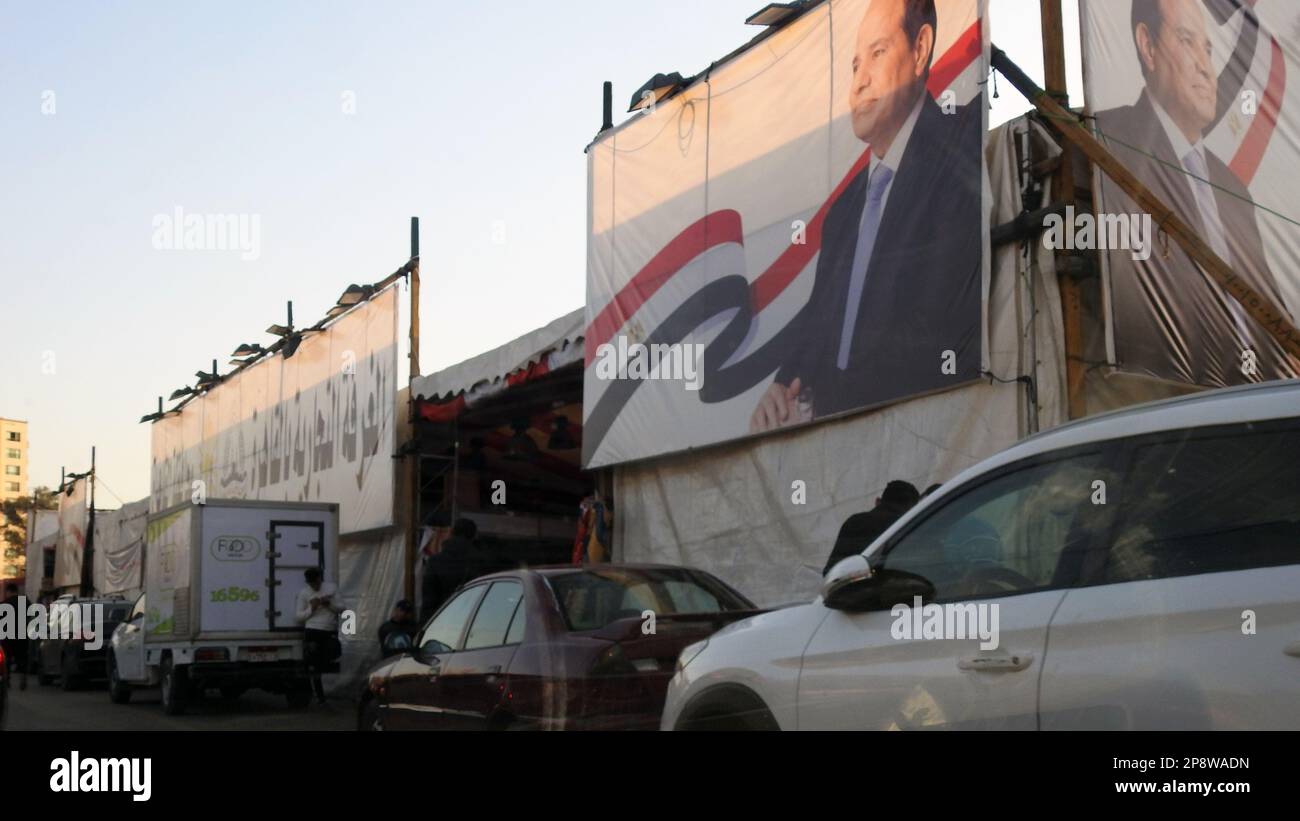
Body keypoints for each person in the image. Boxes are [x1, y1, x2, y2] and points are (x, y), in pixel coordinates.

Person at [751, 0, 982, 432]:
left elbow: (935, 326)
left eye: (877, 54)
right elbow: (821, 319)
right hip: (840, 443)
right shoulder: (843, 212)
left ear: (920, 50)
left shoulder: (962, 145)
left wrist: (830, 401)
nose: (859, 83)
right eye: (855, 65)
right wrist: (781, 388)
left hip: (934, 432)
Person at [1095, 0, 1295, 387]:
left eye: (1208, 48)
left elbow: (1270, 308)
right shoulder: (1109, 142)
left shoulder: (1231, 186)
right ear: (1148, 46)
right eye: (1187, 41)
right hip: (1169, 393)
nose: (1207, 67)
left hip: (1258, 390)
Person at [824, 479, 921, 574]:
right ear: (912, 510)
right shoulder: (908, 528)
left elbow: (830, 570)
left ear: (878, 501)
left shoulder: (854, 522)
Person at [294, 567, 341, 705]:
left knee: (330, 657)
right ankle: (320, 697)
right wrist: (312, 608)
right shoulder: (304, 593)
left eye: (315, 583)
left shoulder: (331, 588)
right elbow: (298, 617)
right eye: (310, 584)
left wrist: (329, 604)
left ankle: (323, 691)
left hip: (328, 630)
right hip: (312, 630)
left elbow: (342, 608)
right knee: (313, 664)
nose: (313, 586)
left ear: (320, 579)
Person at [419, 518, 478, 623]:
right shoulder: (479, 562)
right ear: (474, 536)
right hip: (471, 623)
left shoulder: (435, 561)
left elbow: (428, 602)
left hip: (441, 621)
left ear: (451, 533)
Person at [2, 582, 27, 690]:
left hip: (7, 636)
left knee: (6, 658)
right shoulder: (26, 603)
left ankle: (7, 680)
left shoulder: (4, 604)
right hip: (22, 635)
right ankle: (23, 678)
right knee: (22, 658)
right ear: (16, 591)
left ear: (8, 592)